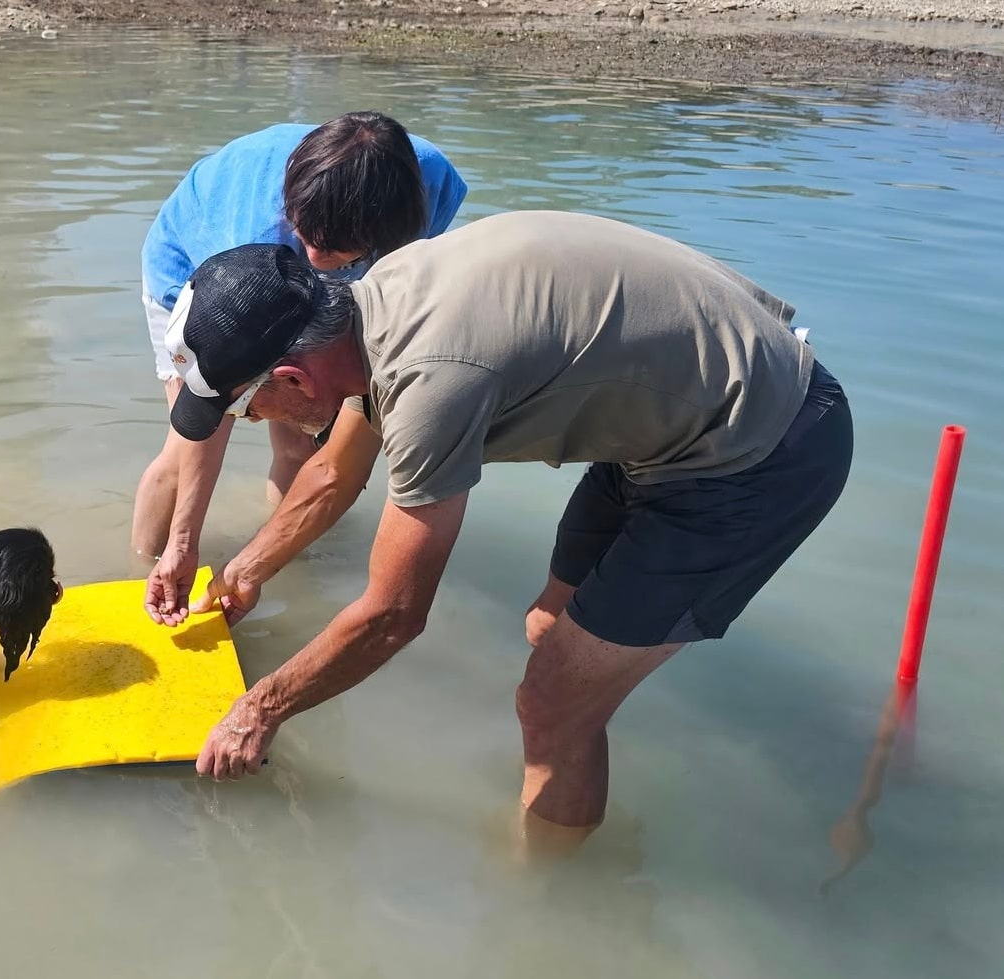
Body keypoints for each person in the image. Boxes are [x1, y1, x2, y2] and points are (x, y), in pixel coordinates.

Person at [148, 209, 853, 844]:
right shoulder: (376, 304)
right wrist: (243, 572)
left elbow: (392, 615)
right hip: (670, 424)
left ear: (294, 378)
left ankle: (556, 906)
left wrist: (258, 708)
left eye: (246, 411)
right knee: (549, 628)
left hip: (758, 451)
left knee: (549, 700)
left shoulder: (429, 381)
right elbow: (334, 473)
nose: (257, 424)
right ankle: (574, 769)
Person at [131, 111, 469, 607]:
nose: (312, 258)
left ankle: (290, 570)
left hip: (318, 290)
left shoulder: (430, 185)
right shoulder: (255, 231)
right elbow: (211, 408)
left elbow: (398, 302)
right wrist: (186, 542)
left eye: (331, 250)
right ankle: (149, 567)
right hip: (201, 278)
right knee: (184, 453)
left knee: (300, 442)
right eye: (305, 236)